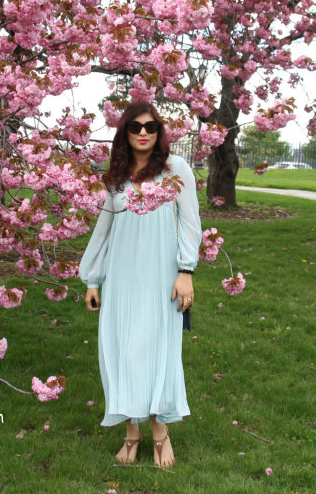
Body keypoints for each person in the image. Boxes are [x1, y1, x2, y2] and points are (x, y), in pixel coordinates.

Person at [79, 101, 201, 468]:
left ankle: (160, 431)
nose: (144, 133)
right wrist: (93, 279)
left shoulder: (175, 168)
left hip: (162, 274)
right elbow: (105, 227)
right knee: (125, 350)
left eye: (151, 127)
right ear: (125, 133)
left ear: (159, 132)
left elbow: (191, 222)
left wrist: (186, 271)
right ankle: (132, 432)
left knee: (157, 349)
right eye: (136, 127)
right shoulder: (116, 175)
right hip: (122, 274)